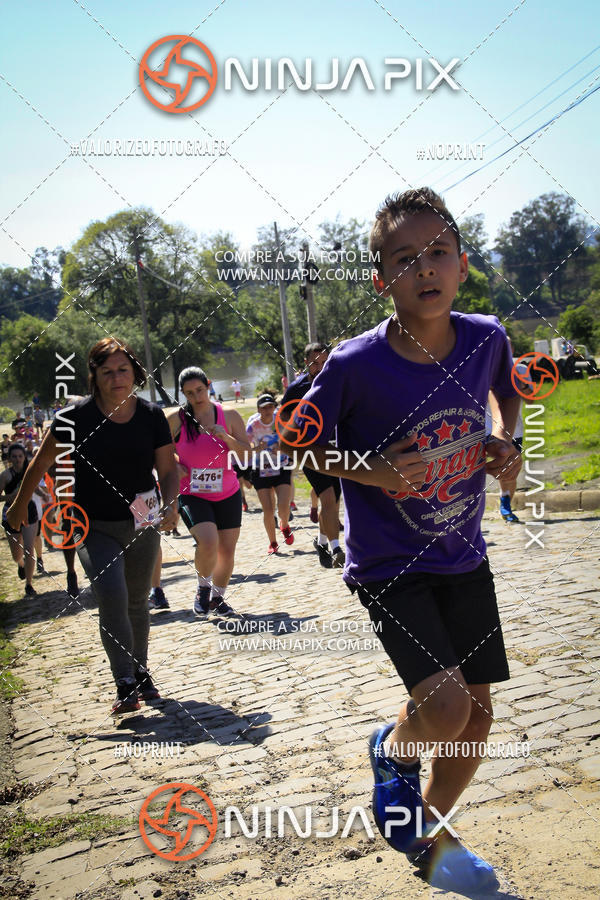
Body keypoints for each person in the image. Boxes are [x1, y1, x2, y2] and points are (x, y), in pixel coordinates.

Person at [280, 188, 522, 893]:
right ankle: (392, 750)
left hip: (464, 555)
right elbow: (305, 444)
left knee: (475, 721)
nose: (425, 268)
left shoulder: (487, 337)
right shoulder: (354, 365)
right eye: (404, 258)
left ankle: (426, 833)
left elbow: (508, 390)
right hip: (390, 564)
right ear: (381, 279)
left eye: (438, 253)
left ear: (462, 265)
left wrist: (505, 438)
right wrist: (374, 469)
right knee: (444, 709)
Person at [7, 338, 179, 715]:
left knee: (136, 600)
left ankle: (141, 670)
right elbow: (39, 464)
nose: (117, 378)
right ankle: (124, 681)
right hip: (91, 525)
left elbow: (168, 471)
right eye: (107, 371)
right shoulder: (73, 420)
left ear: (135, 371)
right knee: (112, 595)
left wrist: (171, 503)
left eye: (123, 369)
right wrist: (19, 506)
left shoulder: (151, 416)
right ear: (94, 376)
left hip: (141, 522)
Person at [166, 367, 250, 618]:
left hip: (228, 491)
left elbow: (246, 455)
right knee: (208, 541)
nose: (197, 397)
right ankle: (203, 589)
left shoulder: (230, 415)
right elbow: (156, 451)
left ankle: (218, 599)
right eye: (189, 393)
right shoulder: (175, 419)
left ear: (209, 385)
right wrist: (173, 461)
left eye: (200, 390)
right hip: (192, 491)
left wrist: (226, 437)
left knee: (226, 549)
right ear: (183, 394)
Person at [282, 343, 344, 568]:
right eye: (314, 363)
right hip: (308, 451)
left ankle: (321, 541)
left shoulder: (337, 382)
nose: (319, 367)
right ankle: (337, 548)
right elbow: (284, 418)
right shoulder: (297, 388)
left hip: (334, 449)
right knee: (327, 498)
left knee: (333, 500)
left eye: (324, 362)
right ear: (306, 363)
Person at [246, 394, 294, 554]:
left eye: (270, 406)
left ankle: (285, 524)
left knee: (283, 505)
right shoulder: (252, 425)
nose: (268, 410)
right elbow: (245, 448)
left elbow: (293, 439)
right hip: (261, 470)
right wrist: (256, 448)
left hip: (281, 467)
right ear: (258, 409)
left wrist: (282, 447)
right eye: (264, 407)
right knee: (268, 509)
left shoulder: (282, 420)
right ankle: (273, 543)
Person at [0, 443, 44, 596]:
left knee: (29, 548)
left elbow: (35, 488)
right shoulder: (5, 475)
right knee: (16, 555)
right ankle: (21, 564)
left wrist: (44, 495)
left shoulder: (28, 472)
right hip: (10, 513)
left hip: (29, 511)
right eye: (14, 457)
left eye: (20, 456)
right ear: (10, 459)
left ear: (24, 457)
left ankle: (29, 584)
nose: (18, 459)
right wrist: (8, 497)